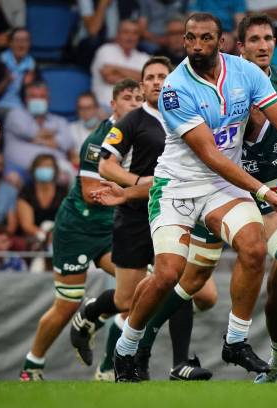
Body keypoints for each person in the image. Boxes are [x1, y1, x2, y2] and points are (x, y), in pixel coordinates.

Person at [109, 12, 277, 382]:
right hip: (178, 186)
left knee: (254, 247)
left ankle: (236, 341)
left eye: (206, 38)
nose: (197, 45)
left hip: (222, 187)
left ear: (221, 41)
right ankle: (126, 347)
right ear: (183, 41)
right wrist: (262, 191)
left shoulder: (246, 74)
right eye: (191, 38)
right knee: (168, 274)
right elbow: (209, 154)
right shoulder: (175, 88)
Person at [71, 56, 214, 381]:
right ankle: (92, 314)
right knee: (125, 299)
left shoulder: (186, 117)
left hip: (176, 213)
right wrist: (141, 184)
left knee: (185, 286)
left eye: (162, 76)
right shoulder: (133, 121)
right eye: (149, 77)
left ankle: (180, 363)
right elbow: (106, 165)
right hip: (135, 217)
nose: (156, 82)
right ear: (142, 84)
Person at [19, 78, 143, 381]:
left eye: (139, 97)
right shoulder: (96, 141)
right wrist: (137, 185)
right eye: (128, 97)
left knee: (141, 290)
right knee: (66, 303)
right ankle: (31, 367)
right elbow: (91, 192)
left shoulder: (144, 137)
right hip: (76, 228)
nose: (135, 103)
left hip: (111, 228)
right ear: (113, 105)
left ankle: (106, 366)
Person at [3, 80, 76, 183]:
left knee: (64, 177)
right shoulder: (15, 115)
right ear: (26, 99)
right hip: (20, 170)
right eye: (33, 97)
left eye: (42, 97)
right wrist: (51, 138)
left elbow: (67, 142)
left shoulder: (59, 121)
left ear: (48, 100)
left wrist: (37, 140)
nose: (38, 100)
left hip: (53, 170)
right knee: (12, 178)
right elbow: (28, 132)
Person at [90, 19, 150, 113]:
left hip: (134, 111)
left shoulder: (144, 58)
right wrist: (139, 78)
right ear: (118, 34)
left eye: (135, 33)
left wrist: (116, 69)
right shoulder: (106, 50)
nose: (130, 37)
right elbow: (109, 77)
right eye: (126, 32)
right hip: (106, 108)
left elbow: (148, 82)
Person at [17, 154, 67, 249]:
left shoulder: (63, 192)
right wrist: (45, 235)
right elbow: (27, 225)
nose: (45, 169)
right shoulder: (26, 192)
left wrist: (55, 235)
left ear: (55, 170)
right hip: (34, 237)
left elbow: (67, 220)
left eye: (48, 166)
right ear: (34, 169)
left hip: (59, 235)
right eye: (41, 166)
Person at [0, 27, 37, 114]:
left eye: (25, 40)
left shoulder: (32, 65)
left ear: (29, 44)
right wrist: (6, 81)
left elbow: (36, 99)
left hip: (23, 109)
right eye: (18, 40)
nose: (21, 44)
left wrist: (28, 86)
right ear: (10, 43)